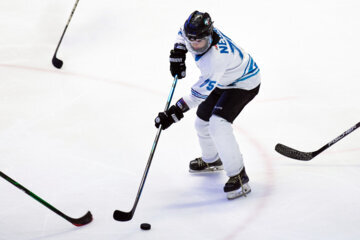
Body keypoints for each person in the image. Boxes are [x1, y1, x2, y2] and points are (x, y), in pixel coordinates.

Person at [154, 10, 261, 200]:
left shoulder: (215, 59)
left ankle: (239, 176)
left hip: (243, 83)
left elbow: (197, 96)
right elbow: (182, 32)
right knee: (201, 122)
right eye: (191, 40)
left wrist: (174, 112)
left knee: (218, 124)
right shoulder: (194, 35)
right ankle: (212, 160)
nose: (195, 45)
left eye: (199, 41)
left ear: (209, 36)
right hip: (223, 81)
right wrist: (179, 50)